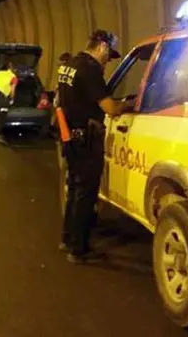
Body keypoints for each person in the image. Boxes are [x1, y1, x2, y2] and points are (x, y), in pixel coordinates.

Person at [57, 29, 133, 263]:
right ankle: (78, 249)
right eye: (109, 56)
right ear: (102, 46)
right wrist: (129, 104)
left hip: (69, 136)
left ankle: (67, 239)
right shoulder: (89, 70)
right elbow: (110, 108)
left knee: (74, 190)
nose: (108, 61)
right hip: (87, 140)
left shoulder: (68, 65)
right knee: (86, 193)